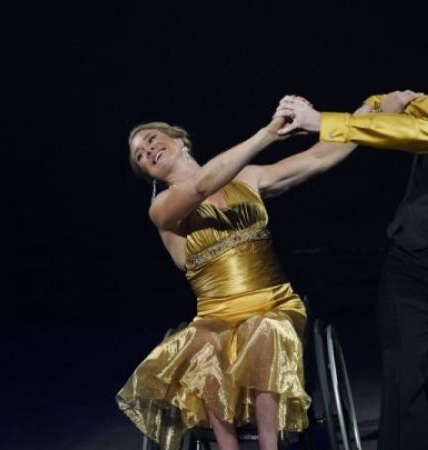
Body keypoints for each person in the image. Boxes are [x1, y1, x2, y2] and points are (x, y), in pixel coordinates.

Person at [275, 3, 428, 449]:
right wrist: (377, 107)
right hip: (408, 262)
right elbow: (384, 107)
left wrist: (326, 123)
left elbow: (420, 136)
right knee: (401, 374)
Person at [115, 109, 367, 450]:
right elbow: (202, 184)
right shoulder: (162, 208)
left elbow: (318, 159)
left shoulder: (247, 179)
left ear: (179, 139)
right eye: (139, 157)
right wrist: (268, 133)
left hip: (274, 302)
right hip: (216, 314)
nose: (146, 153)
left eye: (150, 141)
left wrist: (368, 115)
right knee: (203, 343)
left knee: (266, 327)